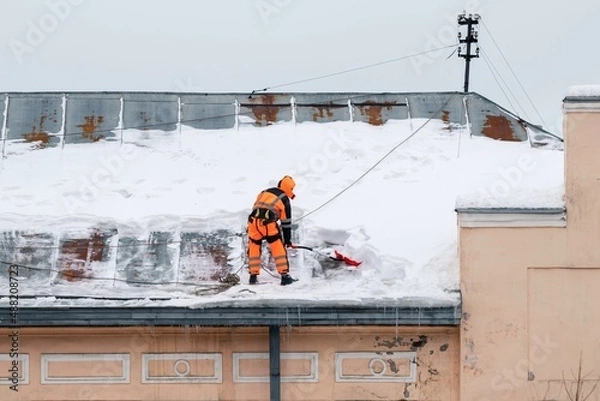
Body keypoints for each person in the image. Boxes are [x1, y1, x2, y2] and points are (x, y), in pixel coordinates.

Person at [246, 175, 297, 285]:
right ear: (288, 188)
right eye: (292, 189)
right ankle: (284, 276)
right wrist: (287, 240)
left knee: (254, 245)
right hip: (268, 224)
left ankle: (253, 276)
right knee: (277, 246)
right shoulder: (284, 198)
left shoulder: (265, 192)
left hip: (253, 221)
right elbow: (286, 223)